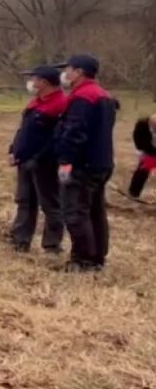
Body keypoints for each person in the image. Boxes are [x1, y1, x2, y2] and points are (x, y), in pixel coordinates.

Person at [54, 54, 116, 273]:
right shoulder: (104, 96)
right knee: (95, 212)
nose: (65, 74)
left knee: (76, 212)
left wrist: (66, 162)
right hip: (102, 163)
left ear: (79, 72)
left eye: (68, 69)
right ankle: (98, 257)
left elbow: (75, 133)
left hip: (82, 166)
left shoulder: (82, 97)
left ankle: (83, 260)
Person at [7, 66, 69, 254]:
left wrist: (39, 156)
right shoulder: (36, 103)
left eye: (34, 79)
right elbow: (24, 130)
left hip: (45, 163)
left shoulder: (61, 104)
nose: (31, 83)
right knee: (25, 200)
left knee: (51, 204)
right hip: (24, 160)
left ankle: (52, 244)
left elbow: (57, 137)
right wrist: (14, 149)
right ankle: (20, 239)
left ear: (45, 82)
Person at [128, 114, 156, 199]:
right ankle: (134, 192)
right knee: (143, 168)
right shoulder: (142, 125)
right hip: (149, 150)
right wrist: (141, 152)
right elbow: (138, 140)